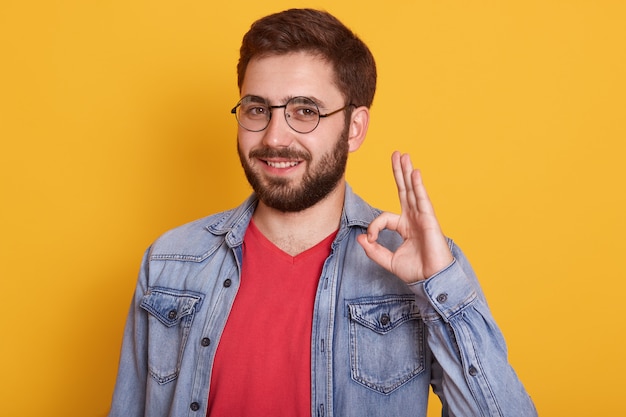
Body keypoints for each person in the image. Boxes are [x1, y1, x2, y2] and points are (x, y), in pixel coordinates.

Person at [108, 8, 536, 417]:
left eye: (305, 112)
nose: (275, 136)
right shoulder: (169, 263)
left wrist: (440, 289)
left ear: (354, 128)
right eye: (257, 109)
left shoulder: (421, 265)